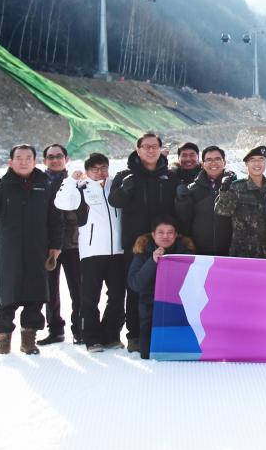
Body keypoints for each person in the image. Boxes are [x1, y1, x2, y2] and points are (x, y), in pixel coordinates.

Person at [0, 145, 62, 355]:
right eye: (19, 158)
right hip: (9, 251)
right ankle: (3, 342)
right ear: (10, 162)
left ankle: (28, 341)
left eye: (28, 158)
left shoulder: (45, 184)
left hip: (37, 249)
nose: (24, 161)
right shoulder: (2, 185)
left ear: (35, 161)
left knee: (35, 297)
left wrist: (55, 246)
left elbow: (54, 218)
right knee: (7, 298)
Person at [108, 132, 177, 353]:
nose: (150, 150)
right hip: (135, 242)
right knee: (136, 287)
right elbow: (114, 201)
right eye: (145, 146)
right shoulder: (125, 175)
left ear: (160, 149)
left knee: (165, 287)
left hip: (165, 240)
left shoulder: (169, 176)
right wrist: (125, 188)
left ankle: (162, 331)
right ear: (137, 150)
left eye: (154, 146)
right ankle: (134, 334)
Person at [54, 153, 125, 352]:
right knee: (90, 297)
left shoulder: (115, 185)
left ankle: (111, 334)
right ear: (87, 171)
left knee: (118, 296)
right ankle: (92, 338)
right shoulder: (81, 188)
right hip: (92, 252)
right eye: (95, 169)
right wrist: (70, 181)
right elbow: (61, 203)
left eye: (103, 168)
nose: (100, 172)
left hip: (118, 251)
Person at [126, 218, 194, 360]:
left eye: (170, 233)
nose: (165, 236)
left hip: (177, 309)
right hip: (151, 310)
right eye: (161, 232)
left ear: (175, 235)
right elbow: (135, 283)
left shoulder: (186, 253)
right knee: (147, 354)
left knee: (182, 355)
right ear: (153, 234)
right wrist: (153, 262)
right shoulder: (143, 252)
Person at [40, 143, 82, 346]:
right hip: (47, 245)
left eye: (59, 156)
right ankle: (55, 329)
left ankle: (80, 328)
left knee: (78, 289)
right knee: (50, 290)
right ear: (44, 161)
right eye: (51, 156)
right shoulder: (39, 182)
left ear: (66, 159)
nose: (55, 159)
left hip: (73, 244)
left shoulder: (76, 181)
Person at [215, 146, 266, 259]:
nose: (257, 164)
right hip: (242, 252)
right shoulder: (237, 187)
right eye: (253, 160)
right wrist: (224, 190)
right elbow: (222, 211)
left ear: (265, 162)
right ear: (246, 164)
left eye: (261, 159)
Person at [174, 146, 235, 256]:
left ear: (224, 162)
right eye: (209, 160)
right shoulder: (193, 189)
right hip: (201, 252)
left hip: (231, 250)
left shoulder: (235, 186)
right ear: (202, 164)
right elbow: (185, 218)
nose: (213, 163)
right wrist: (181, 201)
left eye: (217, 159)